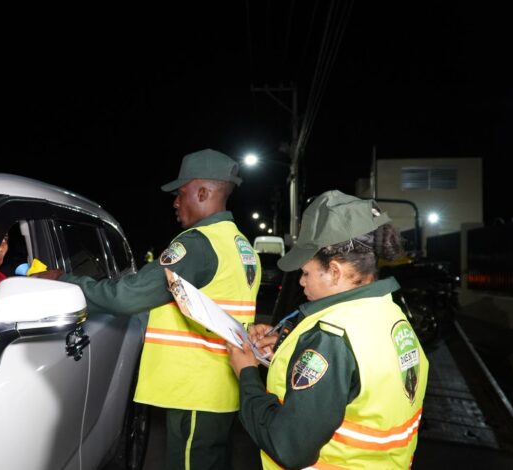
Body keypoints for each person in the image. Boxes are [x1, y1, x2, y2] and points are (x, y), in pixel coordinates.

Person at [35, 148, 261, 470]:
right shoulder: (240, 245)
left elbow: (127, 297)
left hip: (195, 389)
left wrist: (63, 280)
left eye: (180, 193)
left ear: (202, 192)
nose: (175, 203)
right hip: (220, 387)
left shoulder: (197, 244)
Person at [227, 190, 430, 469]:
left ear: (335, 272)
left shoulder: (331, 337)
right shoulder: (391, 314)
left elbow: (289, 446)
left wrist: (247, 374)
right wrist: (288, 350)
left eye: (306, 273)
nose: (301, 282)